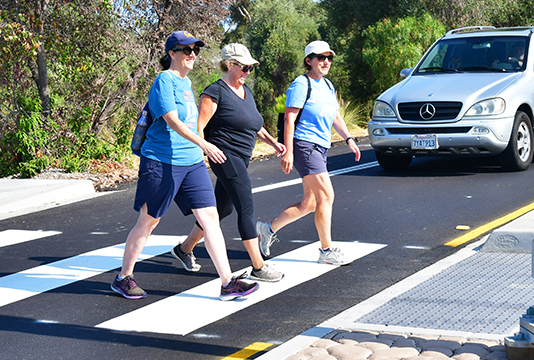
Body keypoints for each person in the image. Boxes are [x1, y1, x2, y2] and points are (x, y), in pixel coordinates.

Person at [111, 31, 259, 302]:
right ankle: (124, 277)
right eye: (186, 50)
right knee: (149, 221)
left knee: (210, 218)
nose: (192, 54)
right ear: (172, 54)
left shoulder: (187, 82)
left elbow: (191, 123)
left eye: (195, 50)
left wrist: (198, 147)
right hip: (162, 161)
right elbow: (172, 121)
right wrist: (204, 144)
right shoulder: (164, 81)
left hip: (191, 162)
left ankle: (227, 282)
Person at [172, 43, 286, 282]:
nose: (247, 72)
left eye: (250, 69)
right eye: (244, 68)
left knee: (222, 209)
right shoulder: (214, 92)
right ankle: (258, 266)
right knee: (246, 206)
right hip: (224, 156)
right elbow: (198, 127)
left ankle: (184, 249)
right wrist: (204, 153)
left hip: (241, 158)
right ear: (231, 65)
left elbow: (255, 124)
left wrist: (274, 142)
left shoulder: (247, 92)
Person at [256, 40, 361, 266]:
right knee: (326, 196)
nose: (325, 62)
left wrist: (349, 138)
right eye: (320, 58)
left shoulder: (327, 85)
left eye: (329, 58)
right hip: (305, 145)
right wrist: (289, 152)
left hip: (321, 146)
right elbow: (289, 118)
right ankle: (326, 250)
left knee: (309, 203)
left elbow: (335, 116)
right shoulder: (301, 84)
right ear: (309, 60)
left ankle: (267, 229)